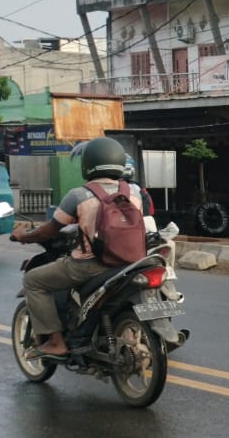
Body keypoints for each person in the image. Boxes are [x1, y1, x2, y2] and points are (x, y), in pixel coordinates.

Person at [10, 137, 143, 358]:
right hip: (131, 262)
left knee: (33, 280)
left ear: (87, 163)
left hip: (90, 265)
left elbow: (51, 230)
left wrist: (25, 235)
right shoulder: (134, 193)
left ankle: (55, 341)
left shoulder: (79, 195)